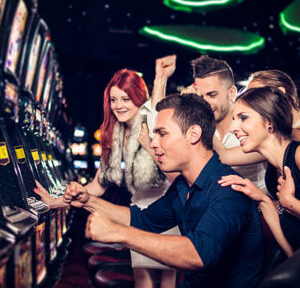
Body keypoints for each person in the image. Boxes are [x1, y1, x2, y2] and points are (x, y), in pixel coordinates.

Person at [65, 93, 264, 288]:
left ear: (193, 134)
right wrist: (89, 201)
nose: (153, 144)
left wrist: (117, 233)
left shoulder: (228, 188)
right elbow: (142, 220)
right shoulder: (182, 185)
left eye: (162, 134)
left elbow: (198, 254)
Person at [35, 55, 179, 288]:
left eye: (126, 98)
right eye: (114, 99)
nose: (119, 105)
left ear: (138, 99)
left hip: (167, 208)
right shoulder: (114, 134)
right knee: (142, 279)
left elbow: (156, 111)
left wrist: (160, 77)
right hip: (138, 211)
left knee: (167, 281)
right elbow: (97, 186)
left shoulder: (149, 124)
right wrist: (54, 202)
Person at [218, 87, 300, 258]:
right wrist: (263, 200)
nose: (234, 127)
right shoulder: (272, 172)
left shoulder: (298, 155)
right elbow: (290, 246)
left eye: (243, 118)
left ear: (269, 121)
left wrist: (289, 201)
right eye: (234, 119)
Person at [181, 55, 267, 193]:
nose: (205, 104)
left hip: (257, 209)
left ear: (231, 92)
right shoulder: (205, 129)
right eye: (200, 97)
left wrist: (196, 113)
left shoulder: (252, 123)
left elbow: (223, 156)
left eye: (212, 95)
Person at [213, 69, 300, 165]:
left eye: (256, 94)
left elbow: (226, 156)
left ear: (279, 93)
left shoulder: (286, 137)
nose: (249, 99)